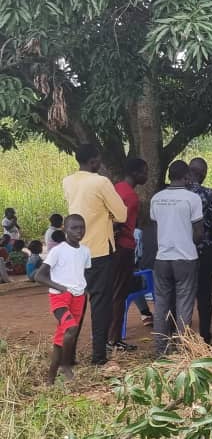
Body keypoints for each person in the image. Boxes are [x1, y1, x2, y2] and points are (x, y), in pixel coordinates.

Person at [61, 144, 127, 366]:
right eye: (99, 159)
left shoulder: (68, 181)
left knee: (75, 305)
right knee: (100, 305)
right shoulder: (101, 182)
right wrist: (107, 214)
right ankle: (98, 356)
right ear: (93, 161)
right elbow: (121, 214)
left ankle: (68, 356)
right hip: (98, 252)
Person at [150, 160, 203, 355]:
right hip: (186, 257)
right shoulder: (192, 199)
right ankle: (183, 350)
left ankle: (161, 350)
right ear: (187, 176)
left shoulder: (156, 198)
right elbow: (198, 233)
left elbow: (156, 226)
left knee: (161, 305)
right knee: (184, 304)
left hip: (162, 257)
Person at [34, 215, 89, 383]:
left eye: (82, 227)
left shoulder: (85, 251)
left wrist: (84, 290)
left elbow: (82, 272)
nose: (79, 231)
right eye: (74, 228)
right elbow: (39, 276)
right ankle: (66, 365)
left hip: (78, 297)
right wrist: (60, 287)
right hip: (60, 297)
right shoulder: (58, 251)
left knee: (63, 336)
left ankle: (50, 379)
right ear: (65, 229)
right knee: (71, 328)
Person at [108, 157, 148, 353]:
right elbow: (120, 222)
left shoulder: (116, 188)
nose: (146, 176)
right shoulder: (131, 196)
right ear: (135, 173)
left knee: (112, 292)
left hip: (111, 248)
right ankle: (113, 339)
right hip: (124, 247)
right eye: (144, 172)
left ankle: (110, 337)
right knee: (119, 294)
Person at [186, 157, 212, 345]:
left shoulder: (177, 193)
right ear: (204, 174)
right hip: (204, 250)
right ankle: (205, 338)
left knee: (182, 294)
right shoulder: (210, 195)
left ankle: (180, 336)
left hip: (181, 250)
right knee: (204, 295)